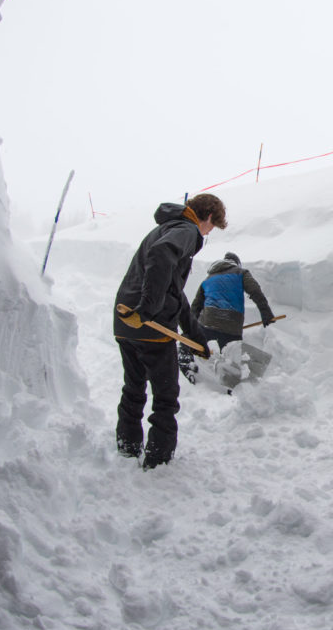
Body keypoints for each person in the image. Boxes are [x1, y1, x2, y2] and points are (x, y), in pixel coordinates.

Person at [113, 193, 226, 469]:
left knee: (134, 387)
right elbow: (162, 254)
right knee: (165, 398)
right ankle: (158, 459)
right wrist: (149, 309)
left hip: (126, 321)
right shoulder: (186, 230)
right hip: (151, 325)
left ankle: (128, 447)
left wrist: (195, 337)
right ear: (208, 217)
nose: (207, 233)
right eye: (211, 228)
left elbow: (174, 292)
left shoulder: (166, 226)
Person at [179, 252, 275, 382]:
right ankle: (239, 385)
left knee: (188, 343)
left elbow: (195, 307)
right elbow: (255, 291)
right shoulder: (241, 272)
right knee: (233, 356)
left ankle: (186, 361)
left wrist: (189, 332)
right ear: (236, 263)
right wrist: (266, 313)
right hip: (232, 326)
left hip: (207, 324)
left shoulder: (208, 279)